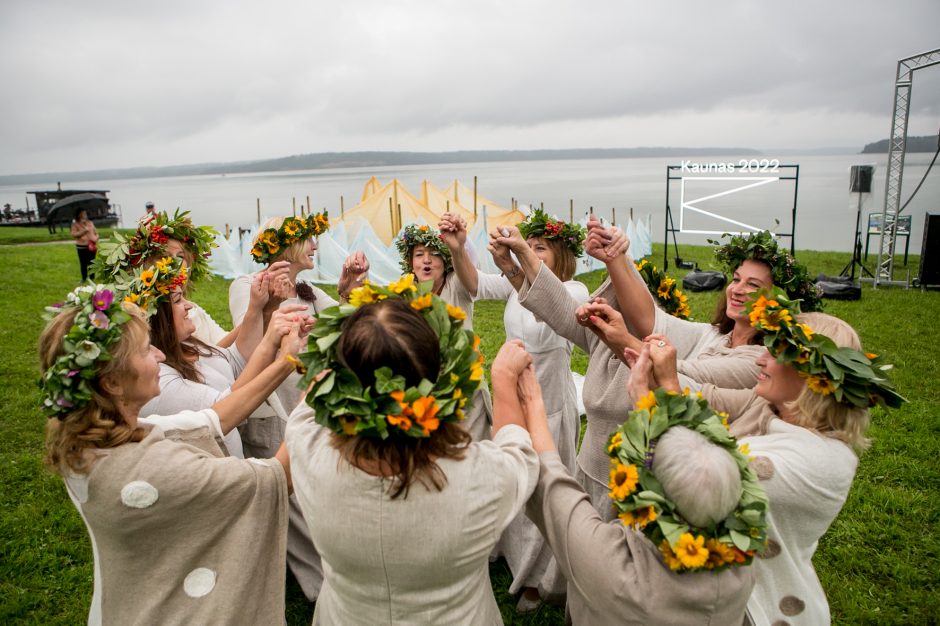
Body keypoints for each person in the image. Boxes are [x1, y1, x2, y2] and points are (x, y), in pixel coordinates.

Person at [626, 289, 905, 626]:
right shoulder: (780, 417)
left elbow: (684, 483)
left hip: (756, 609)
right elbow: (707, 403)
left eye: (775, 353)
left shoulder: (799, 462)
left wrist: (646, 404)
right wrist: (668, 382)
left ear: (811, 376)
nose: (760, 359)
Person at [38, 284, 300, 624]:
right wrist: (317, 399)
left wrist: (287, 361)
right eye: (147, 350)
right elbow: (277, 478)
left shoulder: (89, 439)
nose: (160, 356)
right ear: (112, 383)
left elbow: (216, 417)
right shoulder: (151, 470)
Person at [286, 280, 539, 624]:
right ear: (440, 378)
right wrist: (504, 378)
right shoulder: (481, 478)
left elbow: (311, 399)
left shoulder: (306, 446)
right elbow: (517, 448)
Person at [520, 354, 764, 625]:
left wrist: (532, 400)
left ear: (646, 494)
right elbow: (692, 463)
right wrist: (640, 395)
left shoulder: (609, 563)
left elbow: (552, 483)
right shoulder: (740, 560)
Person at [444, 209, 588, 609]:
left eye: (539, 247)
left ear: (559, 255)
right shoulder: (514, 284)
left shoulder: (574, 290)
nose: (527, 252)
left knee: (545, 478)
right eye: (529, 245)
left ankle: (544, 576)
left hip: (550, 395)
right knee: (512, 472)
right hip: (512, 385)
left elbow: (549, 309)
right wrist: (458, 248)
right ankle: (516, 555)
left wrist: (519, 265)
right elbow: (473, 282)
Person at [586, 227, 822, 391]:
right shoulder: (714, 334)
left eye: (753, 285)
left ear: (779, 301)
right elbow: (651, 320)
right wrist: (615, 258)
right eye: (736, 279)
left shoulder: (761, 359)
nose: (737, 290)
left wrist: (620, 338)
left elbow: (682, 373)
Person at [394, 220, 508, 442]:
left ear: (444, 260)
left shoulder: (457, 283)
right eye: (419, 254)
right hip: (422, 391)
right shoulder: (404, 291)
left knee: (470, 452)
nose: (426, 260)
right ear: (410, 261)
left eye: (434, 254)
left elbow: (469, 276)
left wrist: (457, 248)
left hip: (465, 389)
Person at [70, 208, 99, 281]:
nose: (85, 215)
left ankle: (92, 278)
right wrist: (84, 231)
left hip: (92, 246)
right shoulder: (75, 224)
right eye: (83, 213)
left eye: (85, 213)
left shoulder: (90, 222)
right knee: (83, 263)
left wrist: (96, 238)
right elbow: (74, 234)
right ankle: (84, 278)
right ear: (79, 215)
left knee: (92, 262)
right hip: (81, 246)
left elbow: (96, 232)